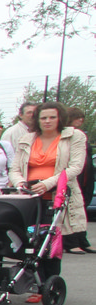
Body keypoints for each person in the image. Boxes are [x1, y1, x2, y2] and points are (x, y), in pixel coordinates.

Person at [9, 102, 88, 301]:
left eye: (52, 117)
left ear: (60, 118)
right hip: (29, 198)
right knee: (29, 242)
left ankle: (46, 285)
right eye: (43, 117)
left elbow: (75, 167)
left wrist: (48, 183)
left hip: (57, 196)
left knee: (50, 243)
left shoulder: (74, 136)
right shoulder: (27, 139)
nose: (47, 121)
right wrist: (21, 184)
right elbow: (15, 168)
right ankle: (31, 281)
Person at [65, 108, 92, 252]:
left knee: (81, 210)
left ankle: (82, 240)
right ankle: (71, 243)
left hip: (86, 175)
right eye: (77, 117)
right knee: (70, 211)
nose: (81, 120)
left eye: (82, 117)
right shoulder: (67, 135)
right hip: (75, 176)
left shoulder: (81, 135)